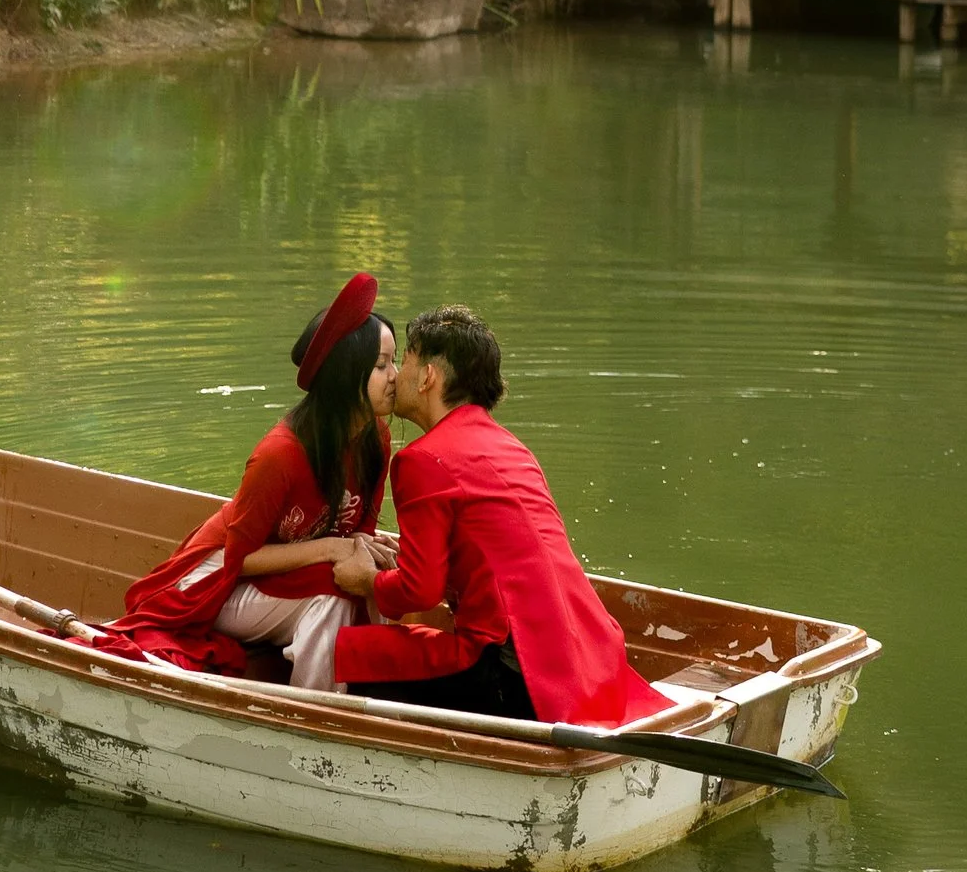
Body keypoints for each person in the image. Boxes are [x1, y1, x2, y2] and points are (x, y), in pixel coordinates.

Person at [326, 303, 667, 726]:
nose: (396, 374)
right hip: (588, 658)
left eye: (405, 360)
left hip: (515, 674)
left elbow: (419, 592)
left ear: (428, 375)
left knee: (349, 652)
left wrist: (366, 581)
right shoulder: (511, 446)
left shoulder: (421, 460)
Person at [92, 273, 398, 686]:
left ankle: (362, 701)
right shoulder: (281, 454)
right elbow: (242, 558)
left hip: (285, 576)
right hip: (217, 583)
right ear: (346, 375)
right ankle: (314, 718)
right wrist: (331, 547)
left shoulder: (375, 439)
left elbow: (357, 526)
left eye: (394, 361)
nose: (396, 374)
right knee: (333, 594)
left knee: (371, 579)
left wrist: (365, 544)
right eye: (381, 365)